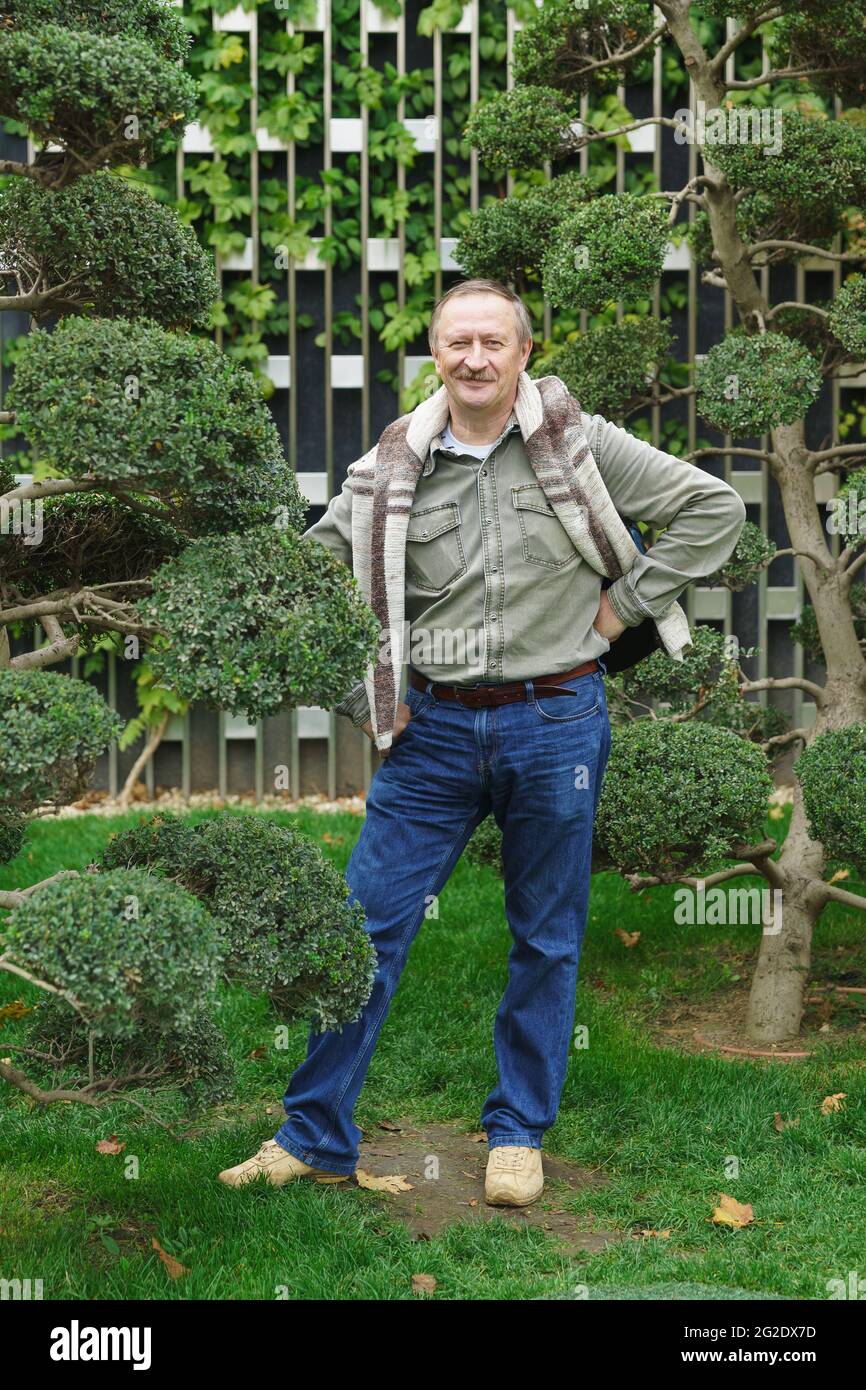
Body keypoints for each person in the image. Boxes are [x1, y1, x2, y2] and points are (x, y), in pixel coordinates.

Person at [219, 278, 747, 1206]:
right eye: (457, 342)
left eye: (491, 342)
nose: (474, 358)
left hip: (558, 721)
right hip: (434, 734)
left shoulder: (579, 447)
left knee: (546, 932)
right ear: (437, 356)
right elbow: (300, 587)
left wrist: (624, 606)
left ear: (522, 354)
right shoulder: (388, 472)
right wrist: (365, 695)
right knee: (364, 926)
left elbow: (714, 510)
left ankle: (517, 1134)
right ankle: (312, 1133)